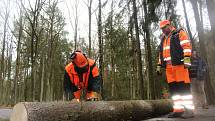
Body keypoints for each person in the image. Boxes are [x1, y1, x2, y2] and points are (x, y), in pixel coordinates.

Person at [156, 20, 194, 118]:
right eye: (162, 29)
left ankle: (189, 111)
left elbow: (186, 46)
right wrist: (159, 65)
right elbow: (161, 54)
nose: (163, 30)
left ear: (169, 25)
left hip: (180, 65)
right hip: (169, 68)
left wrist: (186, 59)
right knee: (174, 91)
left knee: (184, 89)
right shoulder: (163, 39)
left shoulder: (179, 33)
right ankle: (178, 110)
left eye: (165, 27)